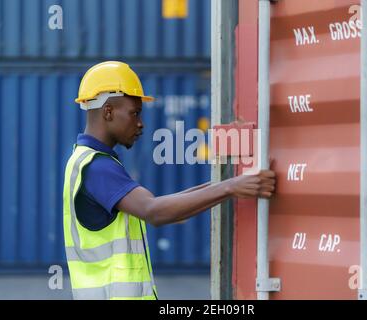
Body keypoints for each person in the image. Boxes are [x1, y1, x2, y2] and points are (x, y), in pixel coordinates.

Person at [63, 61, 276, 300]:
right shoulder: (98, 167)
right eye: (134, 113)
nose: (141, 123)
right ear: (108, 112)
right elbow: (155, 211)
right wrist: (229, 187)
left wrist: (232, 184)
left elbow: (157, 203)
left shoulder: (84, 161)